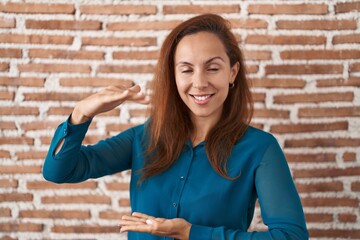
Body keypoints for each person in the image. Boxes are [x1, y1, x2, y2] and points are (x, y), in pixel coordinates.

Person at [43, 14, 309, 240]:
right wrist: (81, 114)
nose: (200, 82)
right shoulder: (146, 137)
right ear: (173, 75)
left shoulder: (260, 148)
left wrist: (193, 233)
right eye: (186, 70)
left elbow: (291, 235)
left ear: (233, 72)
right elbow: (59, 171)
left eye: (212, 68)